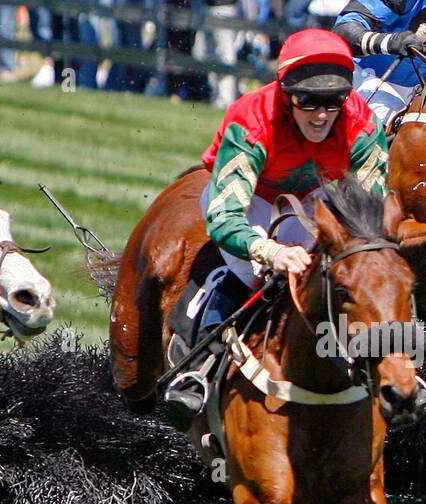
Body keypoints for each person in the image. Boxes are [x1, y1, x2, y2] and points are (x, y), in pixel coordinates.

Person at [162, 29, 390, 425]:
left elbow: (371, 215)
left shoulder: (363, 125)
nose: (321, 115)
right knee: (255, 275)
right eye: (308, 101)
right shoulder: (250, 121)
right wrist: (272, 252)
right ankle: (196, 368)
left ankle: (395, 362)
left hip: (312, 192)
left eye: (332, 101)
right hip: (249, 197)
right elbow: (224, 218)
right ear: (287, 95)